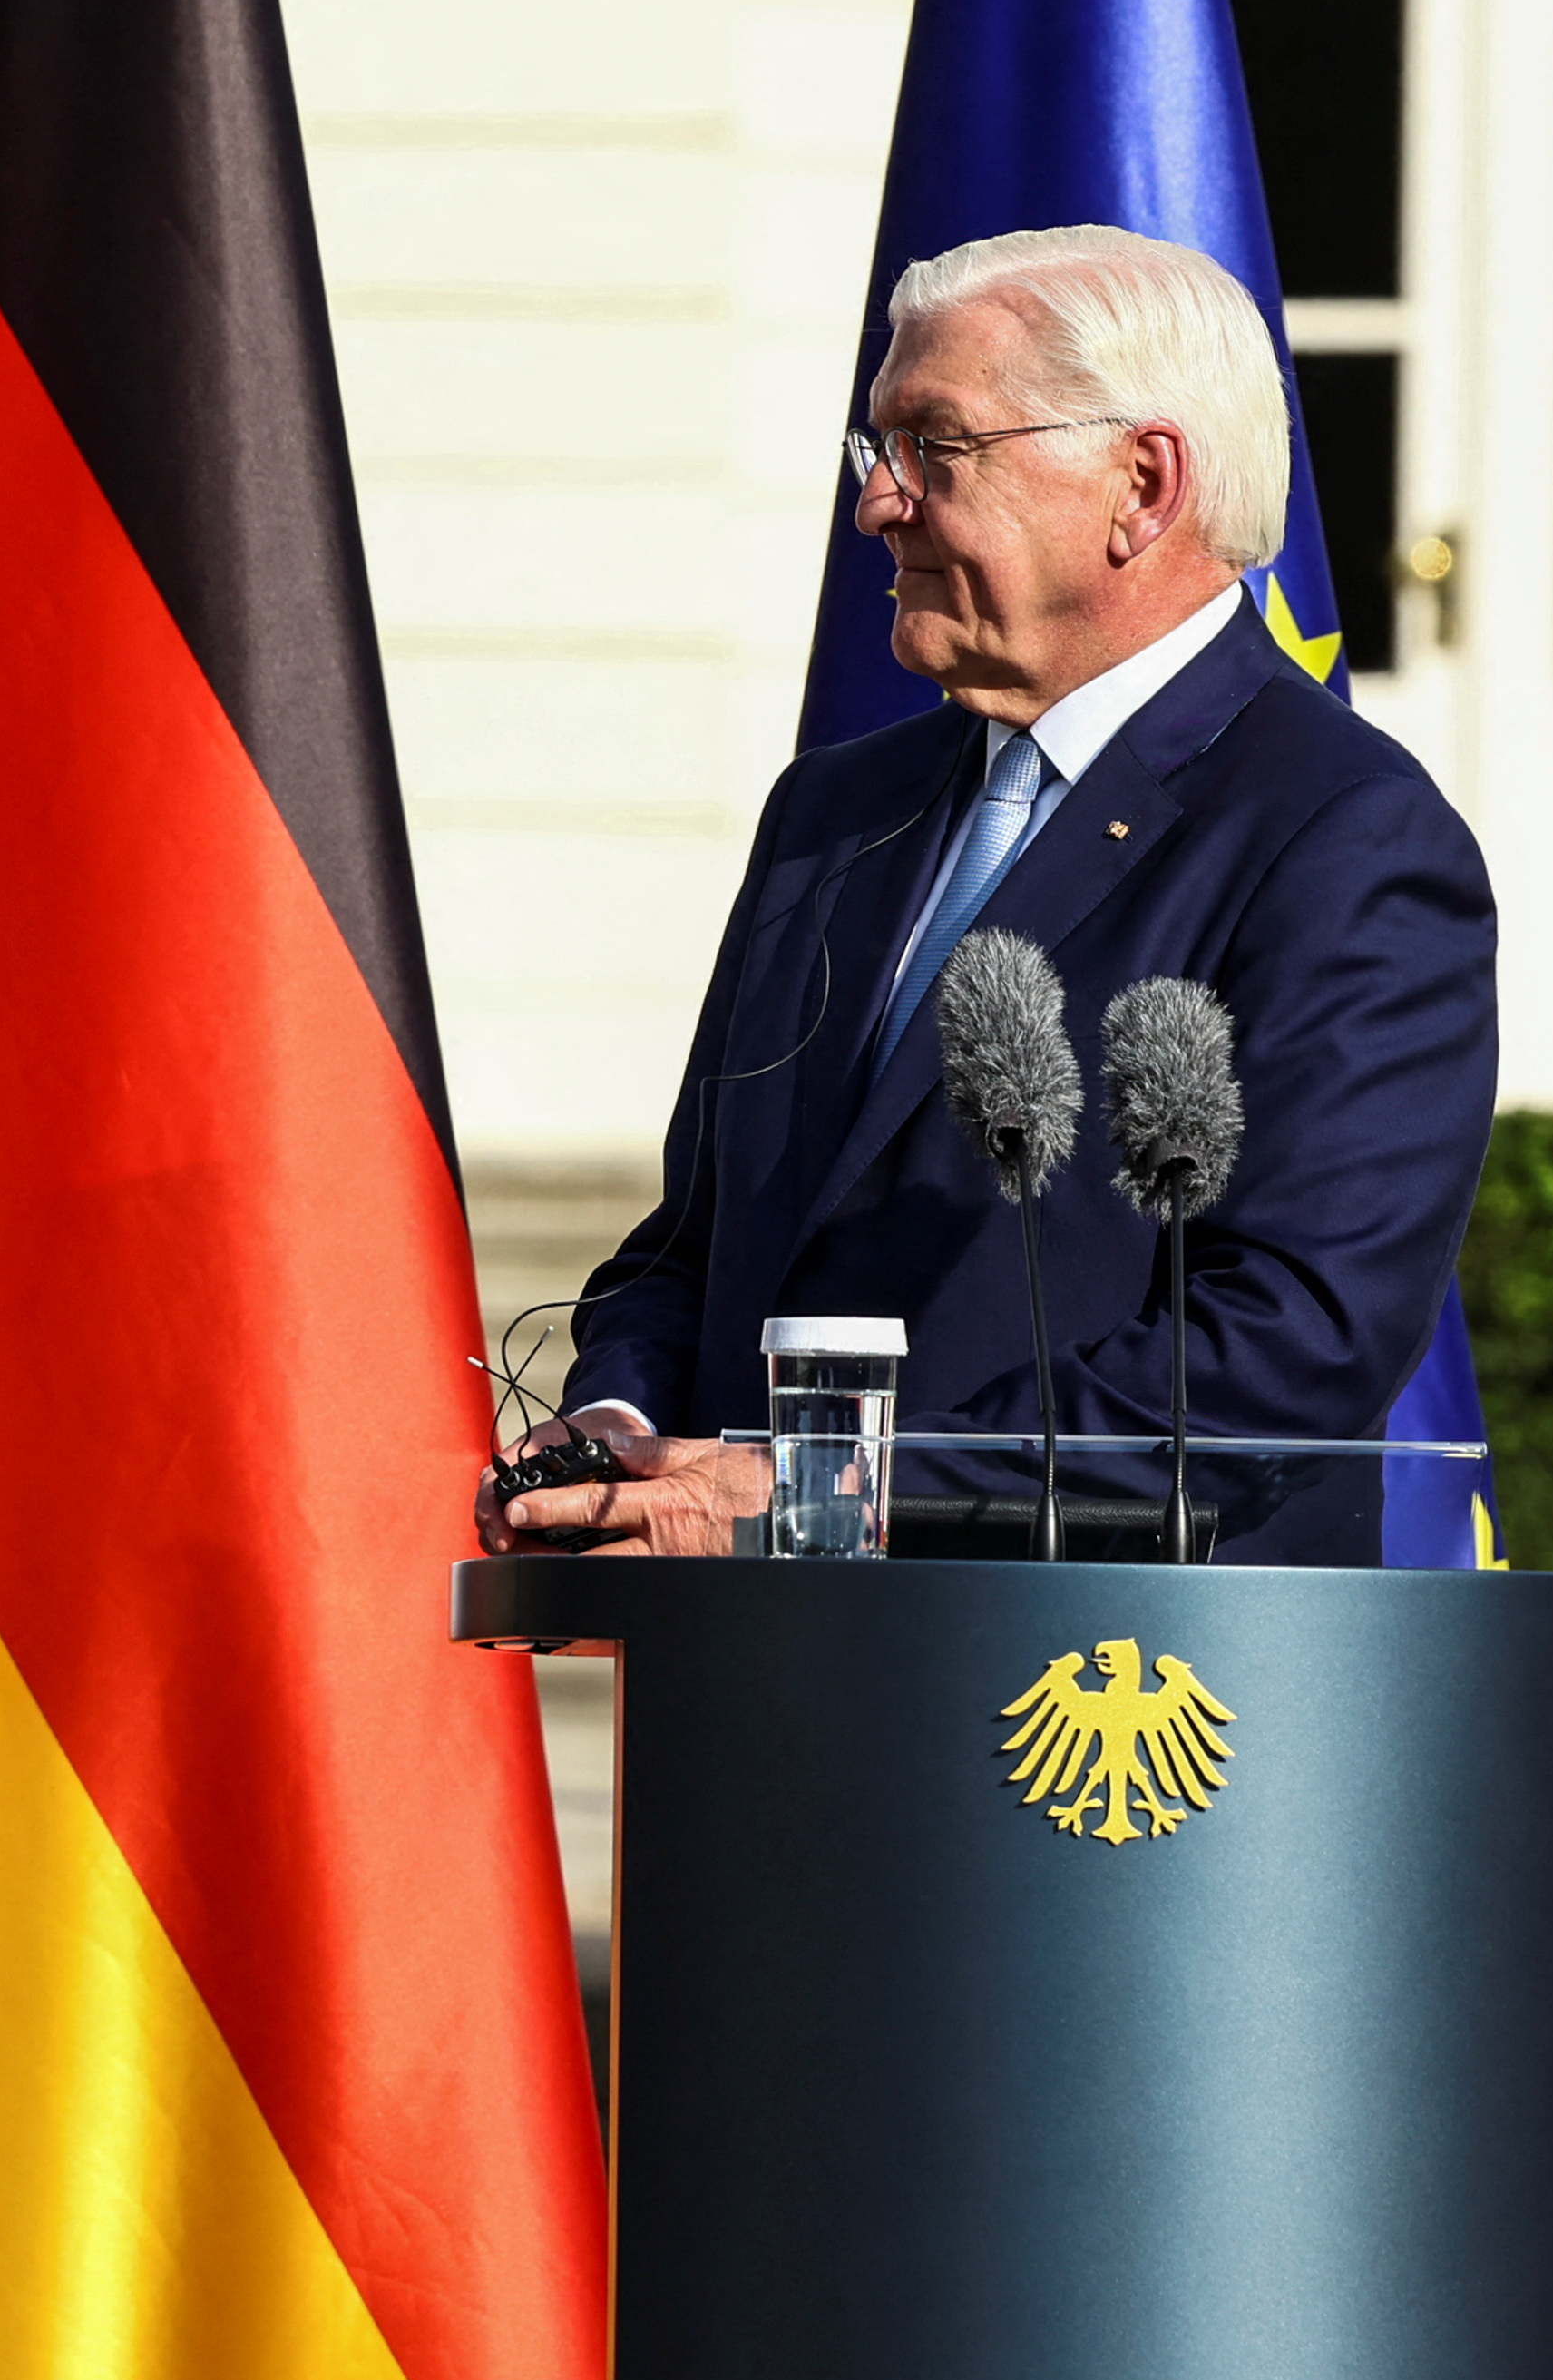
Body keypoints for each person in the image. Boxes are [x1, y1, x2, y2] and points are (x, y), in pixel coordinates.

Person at [501, 223, 1492, 1555]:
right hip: (749, 1705)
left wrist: (826, 1500)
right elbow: (697, 1246)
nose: (878, 503)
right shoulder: (835, 814)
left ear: (1142, 484)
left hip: (1097, 1713)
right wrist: (623, 1414)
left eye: (937, 448)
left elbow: (1279, 1359)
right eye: (877, 449)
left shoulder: (1342, 837)